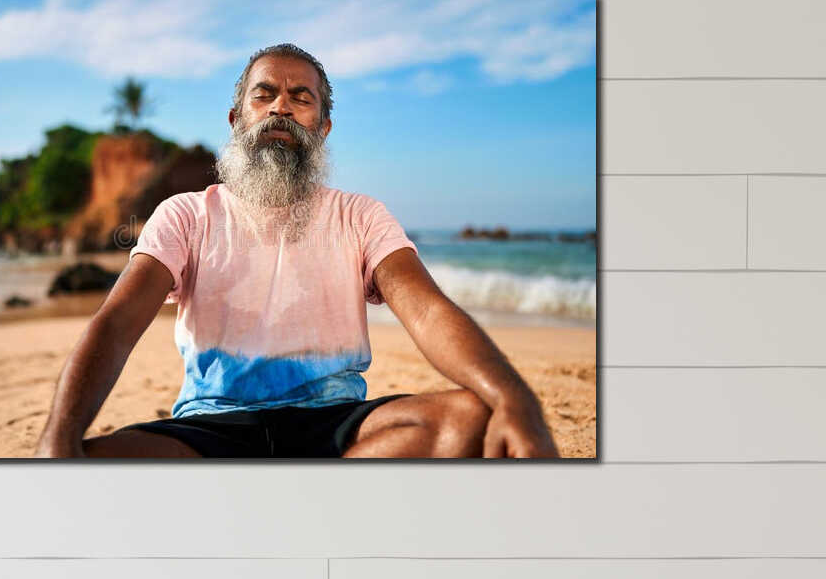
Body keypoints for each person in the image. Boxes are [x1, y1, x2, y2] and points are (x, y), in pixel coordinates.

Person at [34, 42, 559, 459]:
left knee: (471, 418)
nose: (281, 107)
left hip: (336, 426)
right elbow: (118, 322)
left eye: (301, 98)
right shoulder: (185, 214)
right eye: (263, 96)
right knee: (87, 458)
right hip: (208, 427)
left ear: (322, 129)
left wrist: (516, 399)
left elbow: (426, 310)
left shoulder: (361, 215)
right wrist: (57, 437)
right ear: (237, 120)